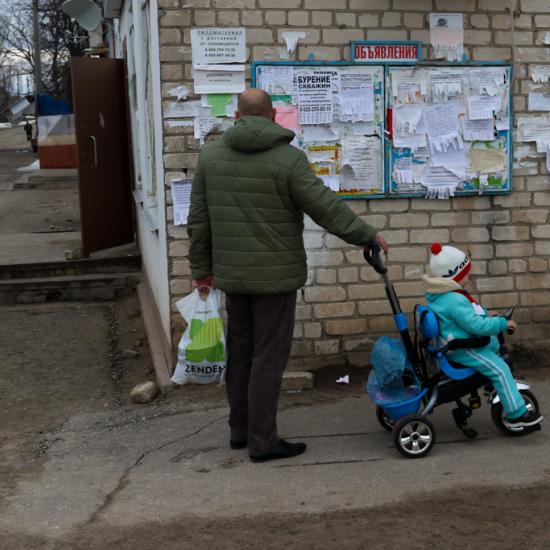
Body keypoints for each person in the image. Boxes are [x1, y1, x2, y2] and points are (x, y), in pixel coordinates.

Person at [187, 88, 388, 463]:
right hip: (275, 280)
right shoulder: (289, 160)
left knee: (241, 354)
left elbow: (198, 222)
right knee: (267, 359)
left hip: (232, 277)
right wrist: (366, 234)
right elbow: (324, 208)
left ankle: (240, 430)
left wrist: (201, 270)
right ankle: (263, 442)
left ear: (236, 115)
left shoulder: (210, 157)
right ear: (274, 115)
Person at [423, 242, 543, 428]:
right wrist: (503, 323)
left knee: (492, 350)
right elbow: (476, 325)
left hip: (456, 344)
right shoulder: (455, 299)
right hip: (464, 349)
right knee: (501, 370)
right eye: (466, 274)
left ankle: (491, 388)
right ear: (455, 275)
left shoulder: (442, 297)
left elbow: (470, 314)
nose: (468, 277)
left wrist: (489, 315)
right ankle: (516, 415)